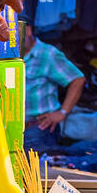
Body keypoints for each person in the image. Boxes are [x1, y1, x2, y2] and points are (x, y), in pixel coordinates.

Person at [21, 22, 85, 151]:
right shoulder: (10, 53)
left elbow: (78, 79)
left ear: (28, 30)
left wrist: (62, 112)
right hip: (15, 128)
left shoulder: (48, 54)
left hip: (40, 128)